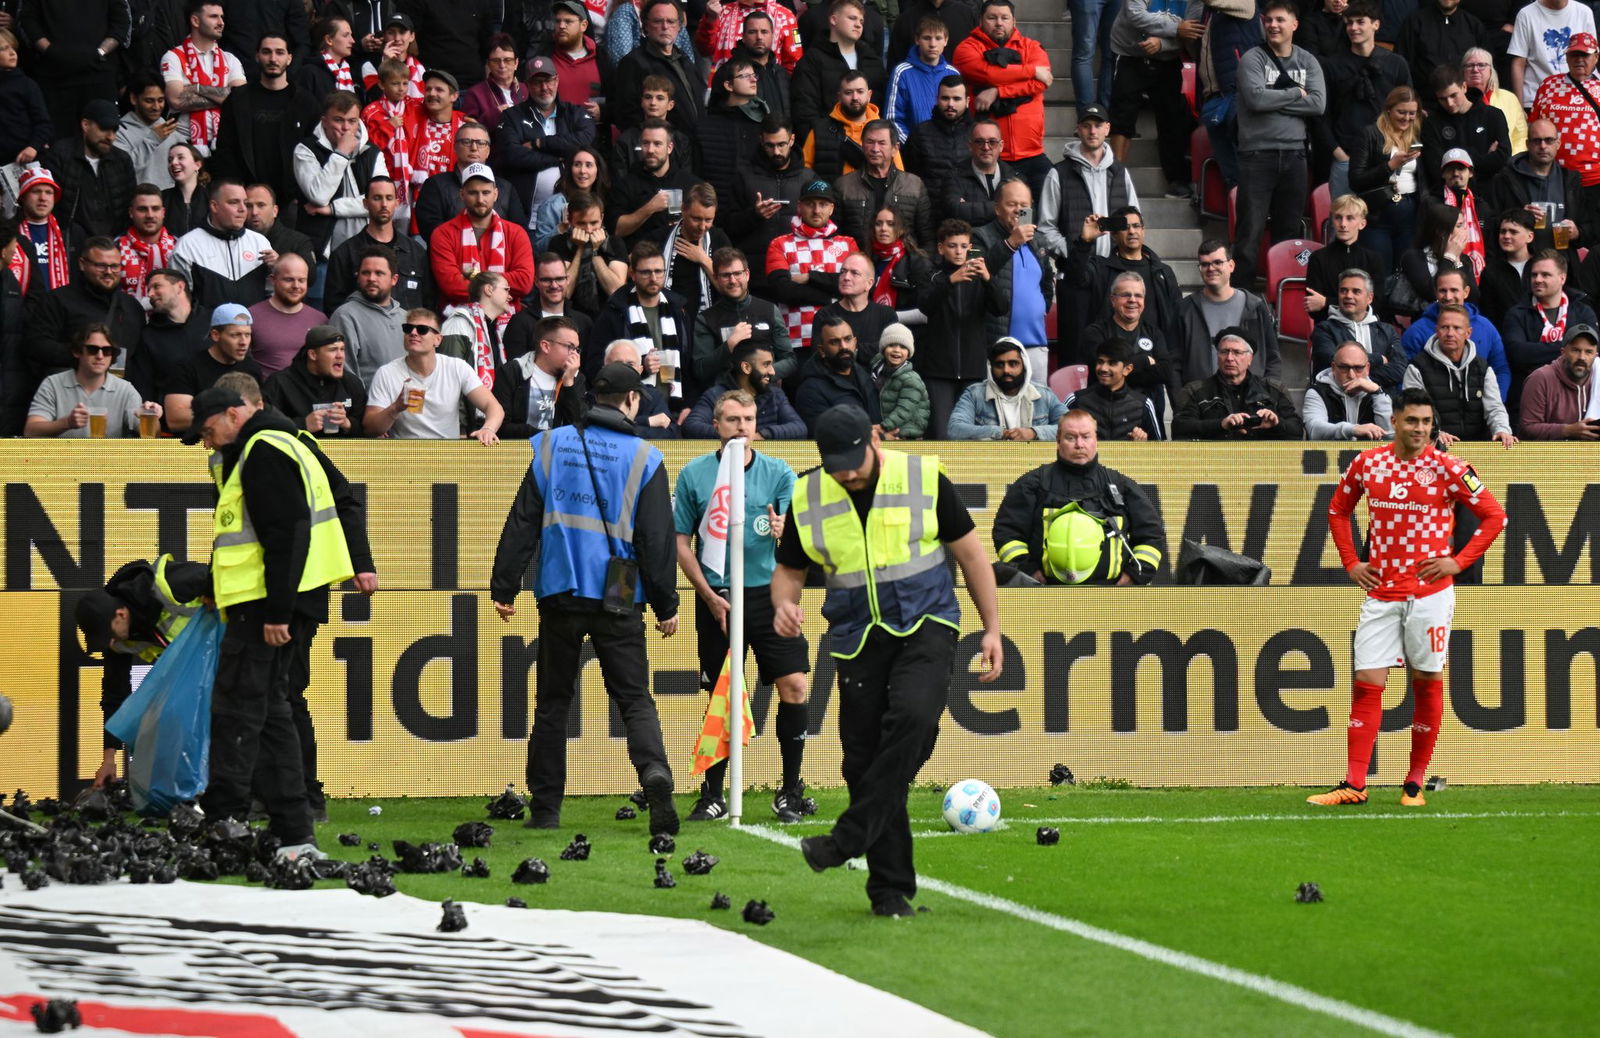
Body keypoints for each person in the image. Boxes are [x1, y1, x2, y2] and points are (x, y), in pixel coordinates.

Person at [779, 403, 1002, 916]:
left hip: (927, 624)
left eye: (853, 462)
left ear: (875, 440)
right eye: (836, 466)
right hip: (856, 637)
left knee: (913, 719)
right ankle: (889, 893)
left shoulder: (924, 477)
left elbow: (971, 555)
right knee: (862, 762)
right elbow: (789, 569)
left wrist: (992, 629)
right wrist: (784, 604)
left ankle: (847, 838)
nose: (847, 475)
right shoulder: (808, 494)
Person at [490, 361, 682, 834]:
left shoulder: (552, 445)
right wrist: (666, 604)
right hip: (619, 588)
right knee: (634, 698)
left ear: (595, 397)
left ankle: (546, 809)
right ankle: (654, 773)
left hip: (563, 585)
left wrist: (504, 585)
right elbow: (657, 541)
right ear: (633, 400)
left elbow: (523, 520)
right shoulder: (646, 458)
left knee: (553, 703)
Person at [1312, 387, 1506, 807]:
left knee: (1427, 680)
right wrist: (1351, 563)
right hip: (1382, 591)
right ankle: (1354, 784)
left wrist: (1458, 561)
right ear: (1395, 421)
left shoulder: (1449, 467)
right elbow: (1337, 510)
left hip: (1429, 595)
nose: (1420, 429)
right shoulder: (1368, 463)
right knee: (1367, 682)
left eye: (1426, 422)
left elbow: (1495, 516)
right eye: (1412, 421)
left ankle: (1414, 783)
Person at [185, 383, 358, 854]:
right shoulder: (279, 442)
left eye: (208, 430)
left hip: (265, 603)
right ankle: (287, 826)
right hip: (277, 599)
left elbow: (286, 534)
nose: (207, 442)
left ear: (232, 414)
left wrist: (277, 610)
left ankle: (233, 819)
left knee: (241, 710)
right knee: (268, 710)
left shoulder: (262, 450)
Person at [673, 389, 811, 821]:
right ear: (716, 426)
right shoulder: (695, 474)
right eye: (733, 420)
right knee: (722, 695)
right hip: (718, 597)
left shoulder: (779, 472)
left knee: (795, 686)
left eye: (748, 420)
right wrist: (708, 595)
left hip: (769, 596)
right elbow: (679, 542)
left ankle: (790, 790)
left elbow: (797, 539)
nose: (741, 428)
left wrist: (784, 530)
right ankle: (714, 795)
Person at [73, 553, 209, 787]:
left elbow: (224, 583)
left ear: (121, 614)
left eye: (109, 634)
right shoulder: (119, 641)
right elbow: (115, 695)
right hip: (202, 677)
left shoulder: (170, 584)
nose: (111, 642)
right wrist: (109, 759)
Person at [993, 408, 1163, 584]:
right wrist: (1028, 571)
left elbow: (1151, 534)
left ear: (1096, 440)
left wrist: (1134, 575)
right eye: (1071, 438)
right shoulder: (1033, 484)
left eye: (1086, 437)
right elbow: (1007, 533)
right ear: (1058, 441)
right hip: (1046, 593)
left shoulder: (1120, 486)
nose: (1079, 444)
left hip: (1110, 594)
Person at [1233, 0, 1325, 288]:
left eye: (1280, 20)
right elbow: (1255, 99)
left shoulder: (1307, 60)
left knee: (1289, 231)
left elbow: (1318, 104)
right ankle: (1243, 295)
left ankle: (1282, 296)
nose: (1273, 25)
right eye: (1268, 20)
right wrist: (1296, 93)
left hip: (1295, 155)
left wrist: (1273, 99)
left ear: (1294, 24)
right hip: (1256, 155)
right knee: (1250, 230)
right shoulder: (1253, 58)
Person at [208, 34, 323, 213]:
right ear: (257, 56)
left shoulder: (306, 103)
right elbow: (225, 151)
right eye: (267, 52)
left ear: (289, 58)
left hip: (292, 202)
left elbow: (316, 152)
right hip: (246, 200)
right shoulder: (238, 100)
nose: (273, 59)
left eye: (280, 52)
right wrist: (237, 194)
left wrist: (300, 195)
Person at [952, 0, 1052, 196]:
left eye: (1004, 18)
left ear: (1014, 21)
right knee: (997, 211)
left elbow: (1042, 82)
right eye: (992, 18)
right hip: (990, 157)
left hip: (1033, 152)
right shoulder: (966, 49)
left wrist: (998, 92)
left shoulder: (1032, 47)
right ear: (981, 20)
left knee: (1044, 210)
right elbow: (989, 74)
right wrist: (1031, 70)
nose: (999, 23)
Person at [363, 307, 505, 441]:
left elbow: (493, 407)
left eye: (422, 330)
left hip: (446, 452)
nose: (413, 333)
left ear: (438, 340)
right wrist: (395, 408)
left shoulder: (456, 367)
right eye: (408, 328)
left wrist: (488, 429)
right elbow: (369, 428)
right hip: (405, 453)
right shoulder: (387, 373)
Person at [1064, 207, 1182, 367]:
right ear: (1114, 234)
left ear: (1143, 230)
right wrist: (1085, 241)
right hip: (1112, 365)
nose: (1132, 231)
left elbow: (1176, 316)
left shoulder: (1163, 272)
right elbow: (1073, 279)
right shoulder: (1100, 267)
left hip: (1154, 363)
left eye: (1136, 226)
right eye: (1125, 227)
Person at [1316, 1, 1410, 201]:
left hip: (1387, 157)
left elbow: (1410, 110)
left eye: (1360, 22)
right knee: (1344, 219)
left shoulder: (1396, 63)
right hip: (1346, 157)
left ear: (1376, 24)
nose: (1353, 28)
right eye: (1349, 23)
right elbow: (1321, 114)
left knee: (1387, 217)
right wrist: (1339, 154)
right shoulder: (1332, 65)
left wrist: (1399, 150)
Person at [1106, 0, 1199, 199]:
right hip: (1130, 51)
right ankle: (1115, 177)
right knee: (1122, 115)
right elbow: (1136, 15)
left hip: (1168, 57)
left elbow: (1191, 33)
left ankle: (1176, 180)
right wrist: (1176, 28)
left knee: (1172, 120)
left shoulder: (1196, 2)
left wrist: (1163, 43)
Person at [916, 218, 997, 437]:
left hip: (973, 369)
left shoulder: (979, 277)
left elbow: (1001, 307)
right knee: (941, 434)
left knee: (970, 436)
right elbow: (925, 306)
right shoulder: (932, 275)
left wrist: (988, 280)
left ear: (970, 247)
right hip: (938, 371)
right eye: (952, 246)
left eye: (963, 246)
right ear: (941, 248)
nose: (959, 251)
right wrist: (950, 281)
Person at [27, 237, 145, 383]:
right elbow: (37, 344)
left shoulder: (132, 307)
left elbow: (140, 358)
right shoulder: (57, 300)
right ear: (82, 264)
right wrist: (83, 355)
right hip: (70, 389)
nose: (109, 271)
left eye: (115, 266)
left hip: (119, 391)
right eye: (101, 266)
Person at [492, 56, 598, 216]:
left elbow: (585, 140)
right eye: (537, 82)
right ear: (527, 85)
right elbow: (511, 155)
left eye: (548, 81)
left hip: (572, 215)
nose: (544, 87)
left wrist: (540, 143)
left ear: (557, 80)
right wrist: (559, 159)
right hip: (525, 215)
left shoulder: (574, 113)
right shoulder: (512, 116)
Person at [1402, 302, 1518, 445]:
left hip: (1478, 448)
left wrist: (1502, 430)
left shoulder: (1482, 368)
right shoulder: (1417, 368)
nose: (1450, 333)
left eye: (1457, 328)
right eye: (1444, 327)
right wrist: (1434, 433)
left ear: (1468, 333)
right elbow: (1413, 410)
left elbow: (1494, 407)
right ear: (1436, 330)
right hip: (1435, 447)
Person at [294, 90, 389, 262]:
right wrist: (341, 154)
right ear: (324, 122)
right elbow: (319, 196)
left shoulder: (372, 152)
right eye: (338, 120)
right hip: (323, 253)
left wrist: (332, 209)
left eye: (352, 121)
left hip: (368, 251)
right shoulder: (306, 149)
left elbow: (381, 202)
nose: (346, 128)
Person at [764, 179, 858, 351]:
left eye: (823, 204)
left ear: (832, 208)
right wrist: (831, 297)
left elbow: (855, 286)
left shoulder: (848, 244)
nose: (816, 210)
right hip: (794, 341)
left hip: (840, 341)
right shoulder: (779, 244)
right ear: (799, 206)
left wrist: (809, 277)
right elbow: (782, 290)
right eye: (810, 204)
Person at [1038, 106, 1139, 267]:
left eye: (1098, 126)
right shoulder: (1058, 173)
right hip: (1075, 270)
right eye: (1086, 126)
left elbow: (1135, 221)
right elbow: (1045, 228)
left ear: (1107, 129)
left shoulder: (1120, 172)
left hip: (1116, 269)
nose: (1092, 131)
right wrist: (1073, 252)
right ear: (1078, 129)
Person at [973, 180, 1052, 381]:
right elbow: (977, 275)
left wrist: (1042, 306)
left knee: (1038, 401)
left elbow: (1047, 282)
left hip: (1036, 345)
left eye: (1024, 205)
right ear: (997, 208)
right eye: (1012, 204)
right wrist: (1011, 243)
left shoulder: (1039, 240)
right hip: (999, 348)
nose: (1018, 210)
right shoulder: (979, 236)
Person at [14, 0, 125, 142]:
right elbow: (28, 20)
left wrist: (100, 52)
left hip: (98, 74)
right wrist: (51, 51)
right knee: (56, 141)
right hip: (54, 77)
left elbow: (122, 23)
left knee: (102, 138)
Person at [1175, 240, 1281, 387]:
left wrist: (1267, 394)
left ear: (1231, 266)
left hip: (1250, 397)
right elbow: (1174, 364)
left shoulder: (1255, 307)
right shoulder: (1185, 309)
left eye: (1217, 262)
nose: (1211, 268)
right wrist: (1182, 399)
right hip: (1200, 398)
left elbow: (1272, 359)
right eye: (1204, 264)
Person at [429, 164, 535, 309]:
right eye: (473, 193)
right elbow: (451, 285)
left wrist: (473, 278)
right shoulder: (443, 234)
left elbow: (524, 282)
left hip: (508, 319)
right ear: (462, 194)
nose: (480, 199)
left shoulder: (516, 233)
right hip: (458, 318)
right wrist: (500, 287)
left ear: (495, 194)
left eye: (486, 192)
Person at [587, 241, 692, 386]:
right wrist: (639, 366)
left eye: (658, 271)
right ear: (633, 274)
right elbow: (594, 367)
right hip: (630, 396)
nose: (653, 278)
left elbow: (688, 364)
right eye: (646, 272)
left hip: (675, 397)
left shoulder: (678, 310)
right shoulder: (615, 312)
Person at [25, 324, 157, 438]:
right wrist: (67, 423)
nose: (100, 356)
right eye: (92, 349)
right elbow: (30, 431)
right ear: (77, 352)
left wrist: (151, 416)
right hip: (63, 458)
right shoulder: (53, 384)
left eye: (107, 351)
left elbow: (153, 435)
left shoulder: (125, 390)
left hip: (107, 459)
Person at [1078, 270, 1181, 415]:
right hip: (1106, 414)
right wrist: (1144, 361)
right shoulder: (1096, 333)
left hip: (1147, 414)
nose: (1132, 300)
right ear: (1113, 300)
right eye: (1126, 295)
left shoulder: (1154, 333)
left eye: (1138, 295)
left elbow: (1165, 371)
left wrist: (1121, 372)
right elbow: (1102, 372)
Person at [1172, 328, 1304, 439]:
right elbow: (1179, 428)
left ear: (1250, 358)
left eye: (1237, 352)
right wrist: (1221, 425)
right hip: (1215, 459)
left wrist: (1277, 424)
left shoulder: (1274, 389)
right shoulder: (1195, 391)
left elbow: (1297, 430)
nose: (1229, 358)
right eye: (1224, 352)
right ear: (1217, 356)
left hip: (1262, 459)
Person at [325, 176, 434, 310]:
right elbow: (333, 308)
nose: (384, 204)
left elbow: (429, 304)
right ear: (365, 203)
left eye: (389, 198)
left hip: (408, 323)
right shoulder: (344, 254)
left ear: (397, 203)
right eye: (377, 198)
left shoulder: (416, 252)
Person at [693, 246, 796, 387]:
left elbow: (790, 360)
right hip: (726, 394)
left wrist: (763, 373)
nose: (732, 280)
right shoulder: (705, 319)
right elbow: (700, 370)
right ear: (716, 278)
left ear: (747, 274)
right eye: (725, 275)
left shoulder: (769, 310)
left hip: (767, 392)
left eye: (737, 273)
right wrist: (729, 345)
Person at [1486, 120, 1591, 258]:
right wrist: (1518, 217)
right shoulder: (1505, 179)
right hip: (1520, 263)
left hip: (1561, 263)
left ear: (1558, 144)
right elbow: (1488, 225)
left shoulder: (1571, 180)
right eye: (1537, 141)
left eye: (1549, 140)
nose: (1543, 146)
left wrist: (1578, 233)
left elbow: (1590, 227)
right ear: (1527, 144)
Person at [1401, 266, 1513, 394]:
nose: (1448, 296)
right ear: (1435, 292)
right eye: (1443, 290)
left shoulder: (1486, 327)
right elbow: (1405, 375)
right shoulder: (1416, 331)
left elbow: (1501, 370)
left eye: (1454, 290)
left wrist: (1495, 402)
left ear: (1466, 292)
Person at [170, 178, 276, 314]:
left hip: (254, 326)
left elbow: (273, 295)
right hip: (207, 327)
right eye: (234, 202)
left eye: (245, 203)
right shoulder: (188, 245)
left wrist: (278, 270)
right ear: (214, 206)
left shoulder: (259, 242)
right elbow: (179, 302)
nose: (243, 209)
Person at [1501, 248, 1598, 394]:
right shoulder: (1517, 314)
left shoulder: (1583, 311)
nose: (1537, 280)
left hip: (1577, 393)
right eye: (1534, 275)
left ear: (1562, 278)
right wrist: (1570, 349)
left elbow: (1593, 349)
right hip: (1533, 392)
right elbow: (1519, 354)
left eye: (1545, 275)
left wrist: (1539, 351)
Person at [412, 123, 529, 240]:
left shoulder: (506, 187)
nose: (474, 148)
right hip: (449, 250)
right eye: (466, 142)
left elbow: (519, 234)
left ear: (488, 150)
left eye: (481, 143)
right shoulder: (435, 185)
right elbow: (433, 233)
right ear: (455, 147)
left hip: (500, 251)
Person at [161, 1, 247, 159]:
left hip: (225, 144)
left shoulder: (230, 59)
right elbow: (176, 99)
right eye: (214, 16)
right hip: (183, 144)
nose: (221, 22)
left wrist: (197, 88)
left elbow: (241, 99)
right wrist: (224, 97)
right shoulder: (173, 57)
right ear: (195, 21)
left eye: (222, 17)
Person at [727, 116, 818, 261]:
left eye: (781, 145)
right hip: (755, 263)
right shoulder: (743, 176)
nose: (776, 152)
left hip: (797, 262)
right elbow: (728, 225)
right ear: (761, 141)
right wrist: (754, 215)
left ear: (792, 140)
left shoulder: (809, 178)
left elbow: (823, 225)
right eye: (770, 145)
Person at [44, 99, 136, 242]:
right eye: (104, 129)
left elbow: (130, 204)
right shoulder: (61, 154)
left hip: (113, 244)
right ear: (85, 125)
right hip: (71, 243)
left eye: (114, 130)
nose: (111, 137)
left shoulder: (122, 160)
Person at [792, 0, 888, 135]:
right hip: (827, 142)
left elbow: (883, 105)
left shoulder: (872, 60)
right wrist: (825, 141)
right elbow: (804, 111)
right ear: (834, 20)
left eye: (861, 21)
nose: (858, 25)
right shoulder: (812, 61)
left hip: (871, 142)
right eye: (852, 18)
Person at [164, 303, 265, 431]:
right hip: (199, 442)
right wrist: (232, 414)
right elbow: (176, 419)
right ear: (215, 335)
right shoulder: (187, 367)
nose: (243, 342)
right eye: (235, 335)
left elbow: (260, 409)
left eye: (247, 335)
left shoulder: (252, 368)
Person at [612, 0, 703, 135]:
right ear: (646, 26)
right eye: (658, 21)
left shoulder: (684, 60)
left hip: (693, 143)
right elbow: (627, 116)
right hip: (661, 144)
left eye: (671, 21)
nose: (665, 27)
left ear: (679, 26)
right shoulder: (633, 62)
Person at [609, 118, 703, 249]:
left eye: (657, 144)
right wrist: (649, 208)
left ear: (669, 148)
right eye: (646, 143)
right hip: (638, 256)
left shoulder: (691, 184)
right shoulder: (626, 184)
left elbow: (705, 226)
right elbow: (616, 230)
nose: (650, 150)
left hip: (679, 255)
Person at [948, 336, 1066, 440]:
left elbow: (1070, 427)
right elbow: (955, 429)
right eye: (999, 365)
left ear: (1024, 365)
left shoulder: (1044, 395)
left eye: (1013, 364)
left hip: (1035, 458)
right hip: (990, 458)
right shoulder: (974, 394)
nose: (1006, 370)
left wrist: (1033, 433)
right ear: (990, 367)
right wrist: (1000, 433)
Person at [684, 339, 807, 438]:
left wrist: (763, 435)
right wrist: (733, 435)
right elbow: (691, 426)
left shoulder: (775, 395)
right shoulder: (715, 395)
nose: (772, 371)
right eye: (766, 365)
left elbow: (799, 428)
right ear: (746, 368)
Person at [263, 323, 367, 438]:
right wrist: (302, 425)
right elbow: (264, 428)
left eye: (342, 349)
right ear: (313, 354)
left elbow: (368, 430)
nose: (340, 355)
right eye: (333, 350)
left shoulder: (352, 383)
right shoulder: (280, 383)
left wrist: (348, 424)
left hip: (342, 449)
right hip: (300, 449)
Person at [1310, 268, 1409, 389]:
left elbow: (1400, 369)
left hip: (1382, 397)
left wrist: (1363, 381)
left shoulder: (1387, 331)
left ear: (1369, 298)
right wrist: (1378, 359)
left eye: (1356, 291)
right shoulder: (1324, 330)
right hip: (1337, 398)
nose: (1348, 296)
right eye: (1343, 291)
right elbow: (1331, 364)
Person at [494, 314, 589, 436]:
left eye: (577, 349)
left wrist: (569, 384)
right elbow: (500, 426)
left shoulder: (576, 378)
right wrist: (545, 436)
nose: (575, 355)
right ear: (546, 346)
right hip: (520, 447)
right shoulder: (512, 372)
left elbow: (580, 428)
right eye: (570, 347)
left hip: (557, 448)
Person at [127, 268, 208, 409]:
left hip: (218, 413)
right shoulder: (148, 336)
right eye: (149, 290)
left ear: (180, 287)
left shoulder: (212, 321)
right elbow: (144, 386)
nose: (150, 294)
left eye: (156, 286)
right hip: (169, 418)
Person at [1422, 65, 1511, 191]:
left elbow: (1502, 159)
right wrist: (1483, 159)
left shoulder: (1493, 115)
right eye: (1442, 99)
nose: (1449, 103)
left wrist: (1453, 162)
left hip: (1490, 192)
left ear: (1464, 87)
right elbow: (1436, 168)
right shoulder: (1431, 123)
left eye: (1453, 95)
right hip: (1449, 194)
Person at [329, 245, 409, 385]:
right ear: (358, 277)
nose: (371, 278)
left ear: (394, 279)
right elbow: (345, 374)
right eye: (365, 273)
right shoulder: (345, 316)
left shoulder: (407, 318)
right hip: (366, 398)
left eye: (379, 273)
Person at [1304, 194, 1389, 324]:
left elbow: (1376, 304)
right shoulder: (1318, 258)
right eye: (1338, 217)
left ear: (1362, 224)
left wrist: (1326, 302)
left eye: (1350, 218)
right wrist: (1359, 303)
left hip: (1365, 328)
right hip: (1329, 328)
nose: (1343, 224)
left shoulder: (1373, 259)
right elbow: (1313, 307)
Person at [656, 183, 729, 328]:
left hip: (711, 323)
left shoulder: (719, 239)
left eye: (708, 220)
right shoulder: (661, 238)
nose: (702, 227)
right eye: (696, 219)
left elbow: (731, 287)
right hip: (670, 321)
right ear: (683, 209)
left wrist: (703, 259)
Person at [793, 314, 884, 430]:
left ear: (855, 342)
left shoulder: (865, 375)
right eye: (834, 342)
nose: (844, 347)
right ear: (822, 350)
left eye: (847, 339)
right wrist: (874, 434)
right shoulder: (810, 390)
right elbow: (824, 435)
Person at [706, 8, 796, 125]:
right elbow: (715, 117)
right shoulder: (727, 73)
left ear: (772, 36)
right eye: (752, 32)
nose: (759, 37)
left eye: (764, 32)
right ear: (743, 37)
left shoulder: (782, 73)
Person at [1062, 338, 1164, 440]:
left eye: (1112, 363)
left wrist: (1142, 445)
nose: (1103, 368)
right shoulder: (1075, 400)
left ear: (1127, 369)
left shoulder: (1144, 405)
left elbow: (1157, 448)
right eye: (1100, 362)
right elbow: (1057, 440)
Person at [550, 190, 630, 320]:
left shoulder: (615, 243)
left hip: (608, 317)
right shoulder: (559, 243)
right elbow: (563, 292)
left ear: (602, 219)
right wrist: (580, 249)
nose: (588, 230)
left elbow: (616, 291)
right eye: (581, 223)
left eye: (594, 223)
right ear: (570, 220)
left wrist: (594, 252)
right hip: (570, 318)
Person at [812, 252, 900, 363]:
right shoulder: (825, 315)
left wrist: (844, 350)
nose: (846, 277)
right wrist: (873, 348)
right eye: (843, 272)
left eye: (855, 273)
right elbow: (820, 356)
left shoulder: (886, 315)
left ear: (869, 283)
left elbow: (893, 353)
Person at [801, 70, 889, 180]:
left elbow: (898, 177)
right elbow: (805, 173)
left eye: (860, 91)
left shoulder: (885, 132)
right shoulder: (820, 130)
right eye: (848, 92)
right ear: (839, 97)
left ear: (869, 95)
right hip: (831, 191)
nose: (855, 97)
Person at [248, 254, 325, 379]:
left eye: (301, 280)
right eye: (289, 280)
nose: (296, 286)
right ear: (273, 280)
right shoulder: (251, 317)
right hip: (266, 389)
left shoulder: (320, 320)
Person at [441, 269, 518, 392]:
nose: (510, 296)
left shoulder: (495, 329)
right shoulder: (459, 323)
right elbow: (449, 377)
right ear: (489, 290)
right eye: (506, 289)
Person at [885, 17, 960, 144]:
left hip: (949, 149)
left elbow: (961, 117)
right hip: (914, 150)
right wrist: (914, 147)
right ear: (917, 40)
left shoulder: (953, 73)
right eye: (927, 38)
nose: (932, 44)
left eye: (938, 38)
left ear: (946, 41)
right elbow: (892, 119)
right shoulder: (902, 72)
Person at [902, 76, 974, 206]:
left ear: (967, 101)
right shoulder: (920, 133)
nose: (950, 104)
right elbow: (909, 177)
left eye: (956, 99)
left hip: (970, 211)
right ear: (937, 99)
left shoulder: (978, 133)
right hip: (929, 210)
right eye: (945, 98)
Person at [1509, 0, 1595, 108]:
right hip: (1537, 99)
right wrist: (1519, 107)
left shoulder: (1584, 12)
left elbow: (1592, 58)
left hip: (1576, 100)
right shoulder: (1526, 14)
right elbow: (1518, 63)